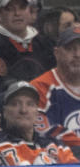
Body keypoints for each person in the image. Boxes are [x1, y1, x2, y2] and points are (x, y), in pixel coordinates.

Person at [0, 80, 77, 165]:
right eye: (15, 104)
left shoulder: (55, 146)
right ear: (4, 112)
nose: (24, 110)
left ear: (37, 112)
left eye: (30, 104)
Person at [31, 24, 80, 153]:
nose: (78, 54)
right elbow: (43, 131)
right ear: (57, 53)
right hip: (58, 164)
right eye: (71, 49)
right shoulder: (39, 87)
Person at [0, 0, 55, 83]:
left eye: (22, 7)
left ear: (30, 11)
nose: (17, 13)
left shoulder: (46, 44)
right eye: (10, 9)